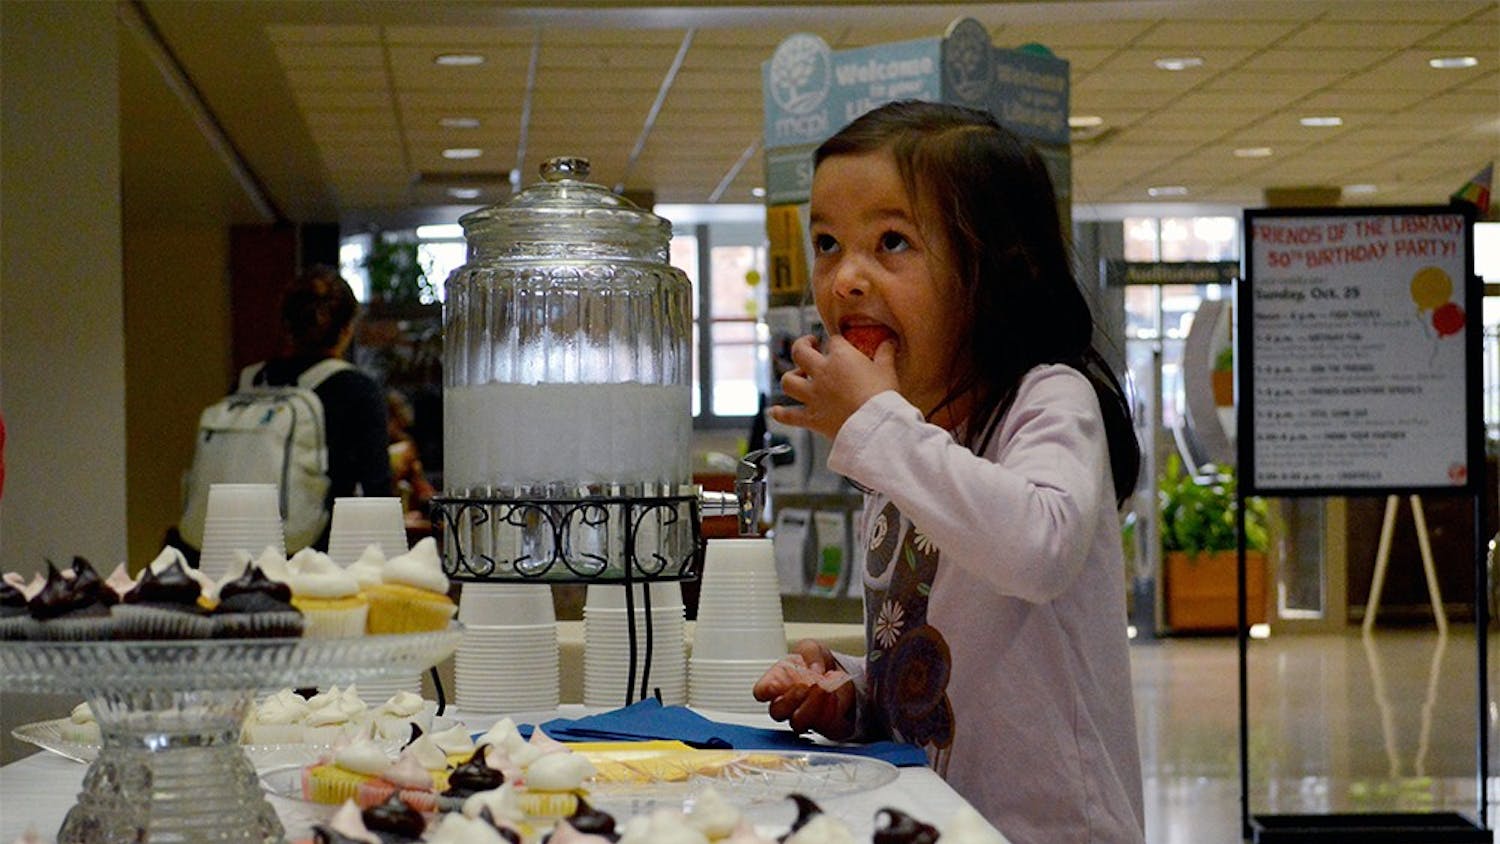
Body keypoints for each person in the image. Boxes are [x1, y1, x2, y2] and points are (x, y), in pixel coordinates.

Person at [752, 100, 1145, 843]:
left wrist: (875, 427)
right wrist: (851, 693)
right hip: (936, 823)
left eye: (892, 241)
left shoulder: (1047, 397)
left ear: (997, 268)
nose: (846, 279)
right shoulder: (907, 442)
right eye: (829, 243)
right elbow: (942, 669)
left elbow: (1036, 547)